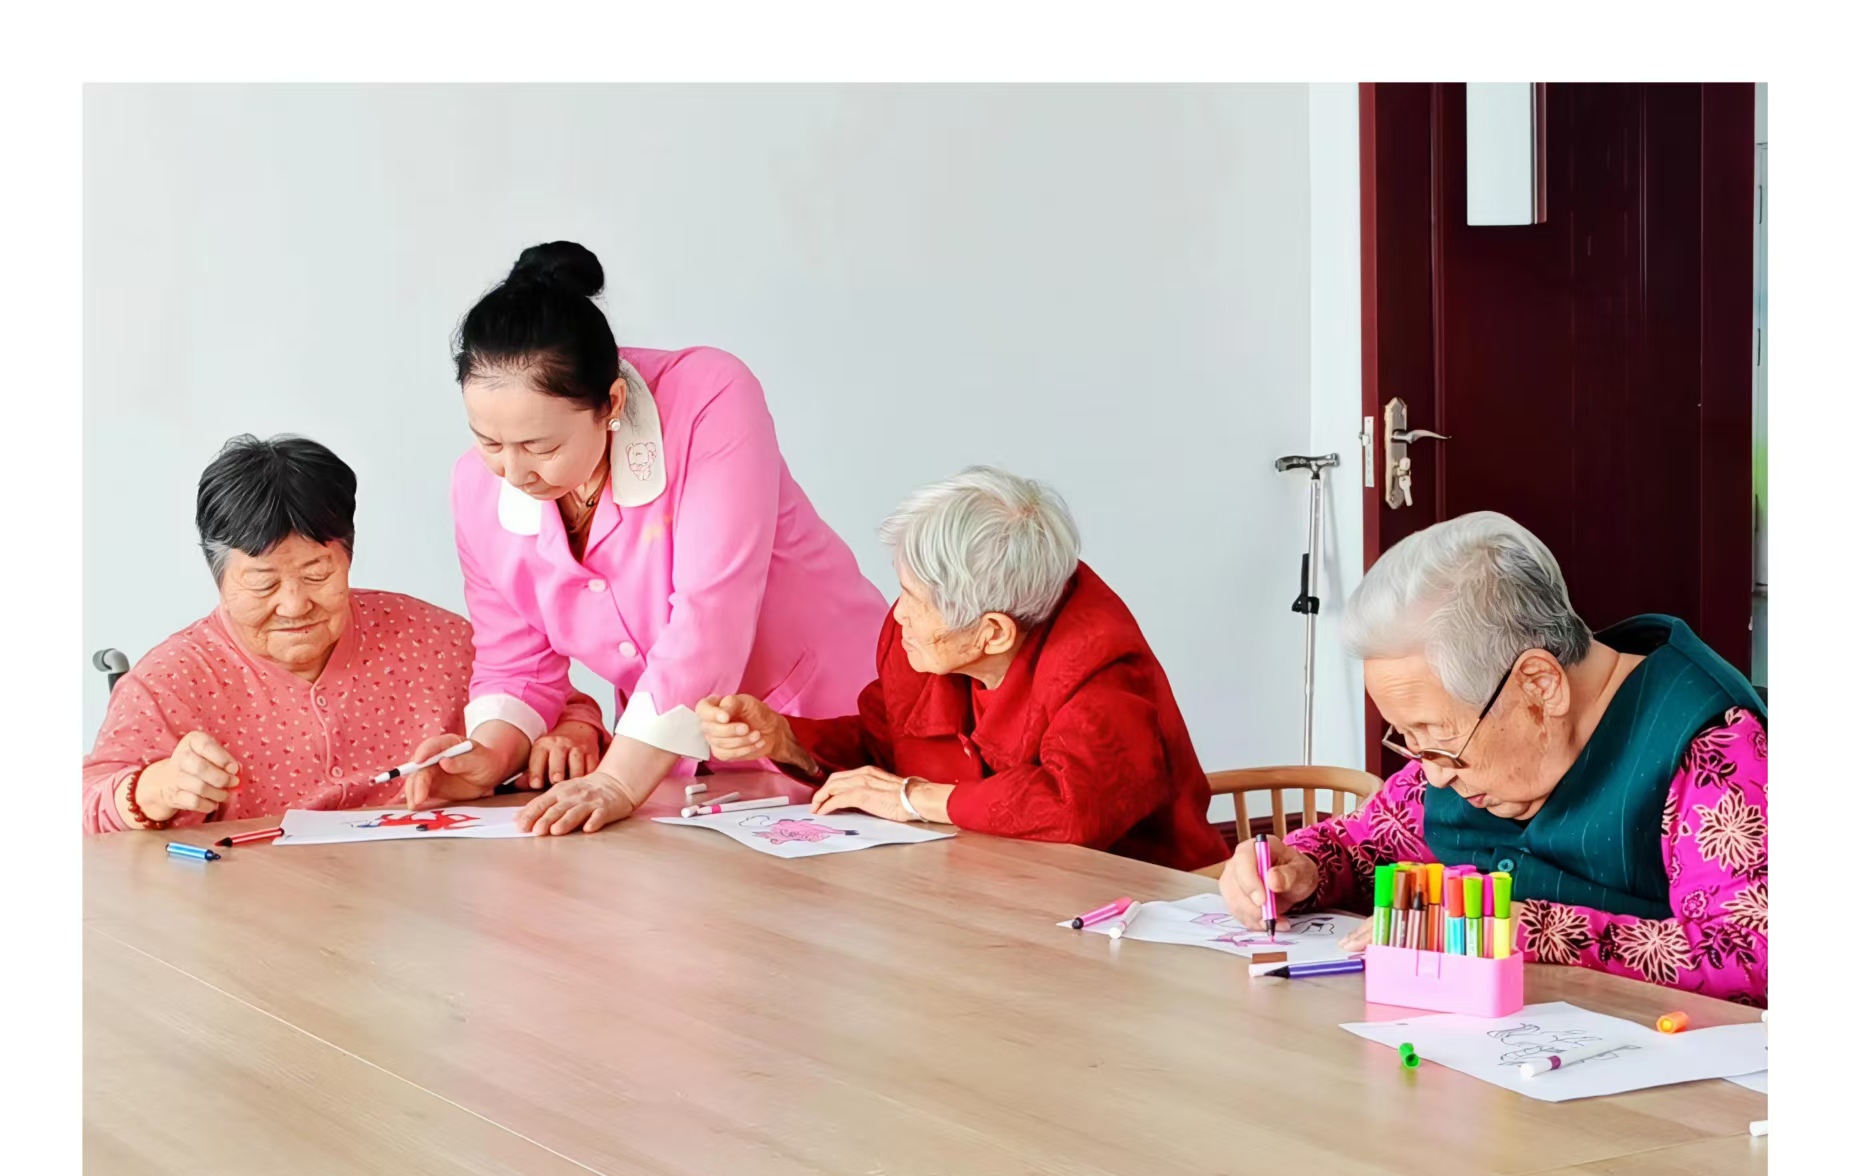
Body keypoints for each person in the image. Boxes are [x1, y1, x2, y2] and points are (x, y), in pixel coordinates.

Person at [404, 241, 890, 835]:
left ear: (611, 403)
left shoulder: (710, 398)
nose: (513, 471)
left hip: (839, 731)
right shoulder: (477, 490)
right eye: (488, 441)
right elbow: (517, 665)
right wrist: (487, 754)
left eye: (540, 446)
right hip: (678, 774)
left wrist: (616, 780)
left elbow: (710, 613)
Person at [1218, 512, 1768, 1005]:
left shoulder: (1713, 747)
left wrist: (1522, 929)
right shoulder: (1463, 746)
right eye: (1409, 739)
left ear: (1540, 684)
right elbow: (1365, 844)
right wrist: (1301, 868)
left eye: (1438, 738)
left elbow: (1752, 953)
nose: (1432, 774)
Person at [696, 467, 1226, 869]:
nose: (897, 614)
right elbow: (885, 747)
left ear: (992, 632)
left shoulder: (1102, 672)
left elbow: (1072, 809)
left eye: (915, 599)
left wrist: (912, 798)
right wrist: (787, 740)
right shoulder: (921, 645)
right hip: (989, 886)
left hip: (1138, 904)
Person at [83, 435, 608, 834]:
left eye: (317, 574)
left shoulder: (432, 638)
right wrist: (154, 789)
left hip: (428, 900)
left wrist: (572, 736)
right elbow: (85, 804)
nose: (294, 605)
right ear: (217, 575)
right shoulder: (170, 681)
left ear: (349, 557)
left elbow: (554, 700)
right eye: (263, 583)